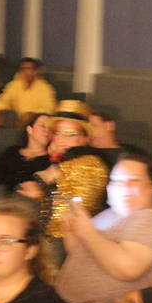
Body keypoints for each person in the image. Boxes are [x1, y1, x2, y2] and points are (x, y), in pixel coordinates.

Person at [56, 151, 152, 303]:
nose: (124, 187)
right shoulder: (111, 214)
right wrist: (72, 231)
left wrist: (86, 232)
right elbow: (80, 253)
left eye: (133, 181)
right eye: (116, 182)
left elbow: (127, 268)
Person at [16, 99, 109, 238]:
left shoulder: (89, 165)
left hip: (71, 243)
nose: (61, 140)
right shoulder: (61, 162)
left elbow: (64, 225)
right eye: (57, 133)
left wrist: (42, 196)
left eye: (71, 134)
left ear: (85, 138)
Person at [0, 57, 56, 125]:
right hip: (18, 124)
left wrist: (32, 115)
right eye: (23, 69)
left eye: (29, 69)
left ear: (36, 71)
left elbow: (49, 108)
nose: (26, 72)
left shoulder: (45, 88)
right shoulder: (14, 85)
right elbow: (2, 101)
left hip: (39, 124)